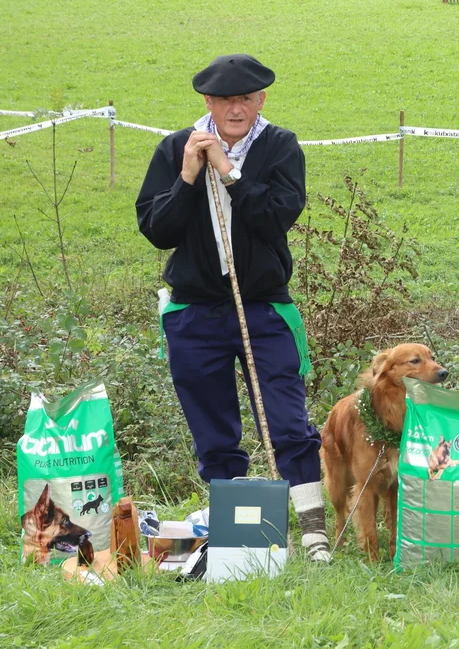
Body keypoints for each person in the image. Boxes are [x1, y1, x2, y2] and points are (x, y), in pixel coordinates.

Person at [136, 54, 331, 562]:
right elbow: (157, 230)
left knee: (287, 420)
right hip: (194, 313)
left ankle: (313, 533)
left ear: (261, 100)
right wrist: (187, 177)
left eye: (245, 98)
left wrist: (229, 173)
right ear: (209, 102)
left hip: (263, 307)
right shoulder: (176, 148)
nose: (236, 109)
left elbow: (276, 218)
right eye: (225, 100)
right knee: (214, 429)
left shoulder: (280, 146)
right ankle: (240, 537)